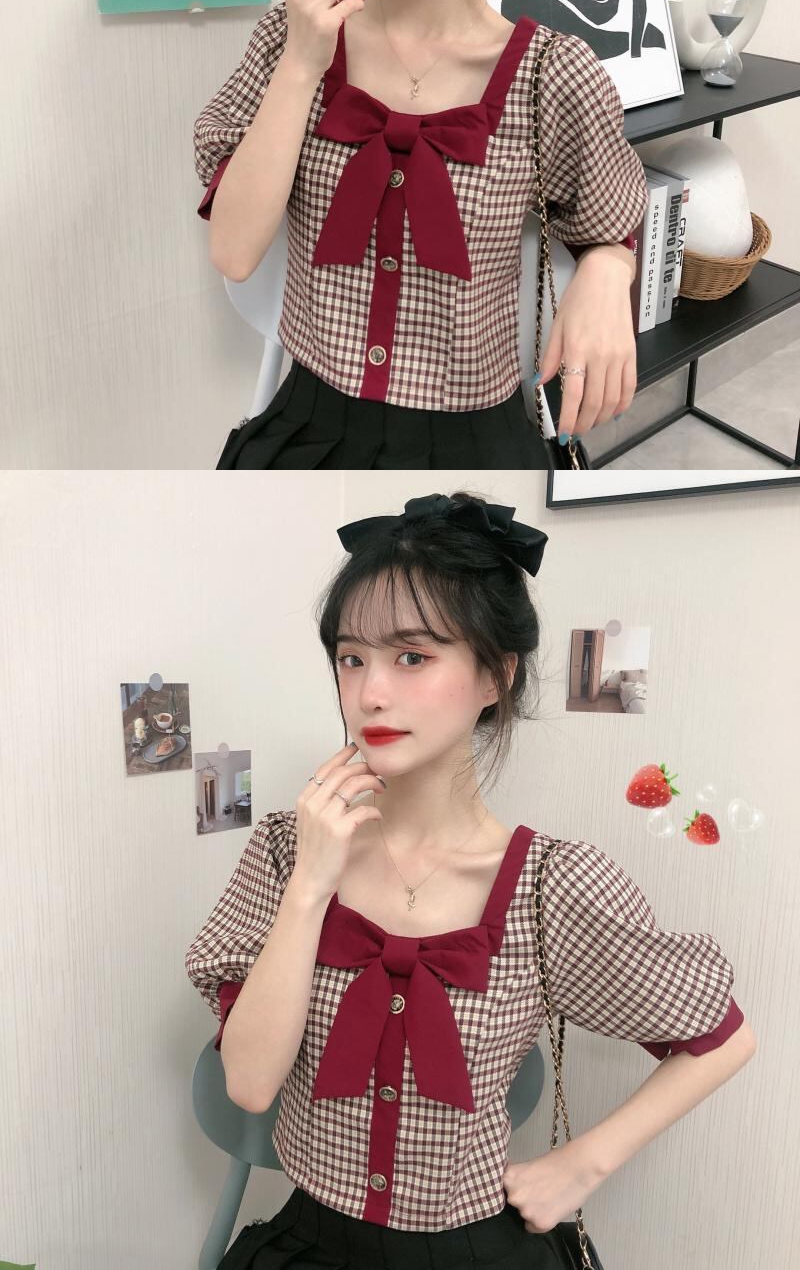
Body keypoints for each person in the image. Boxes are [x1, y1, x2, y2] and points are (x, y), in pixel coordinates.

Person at [184, 491, 753, 1269]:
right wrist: (312, 886)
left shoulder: (553, 885)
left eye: (412, 657)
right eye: (352, 658)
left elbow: (723, 1038)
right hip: (307, 1242)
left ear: (495, 675)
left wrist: (581, 1165)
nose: (370, 692)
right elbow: (250, 1085)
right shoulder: (288, 851)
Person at [193, 0, 650, 471]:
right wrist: (303, 62)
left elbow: (609, 216)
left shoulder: (552, 75)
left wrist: (609, 268)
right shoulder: (297, 34)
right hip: (307, 432)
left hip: (476, 448)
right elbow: (234, 252)